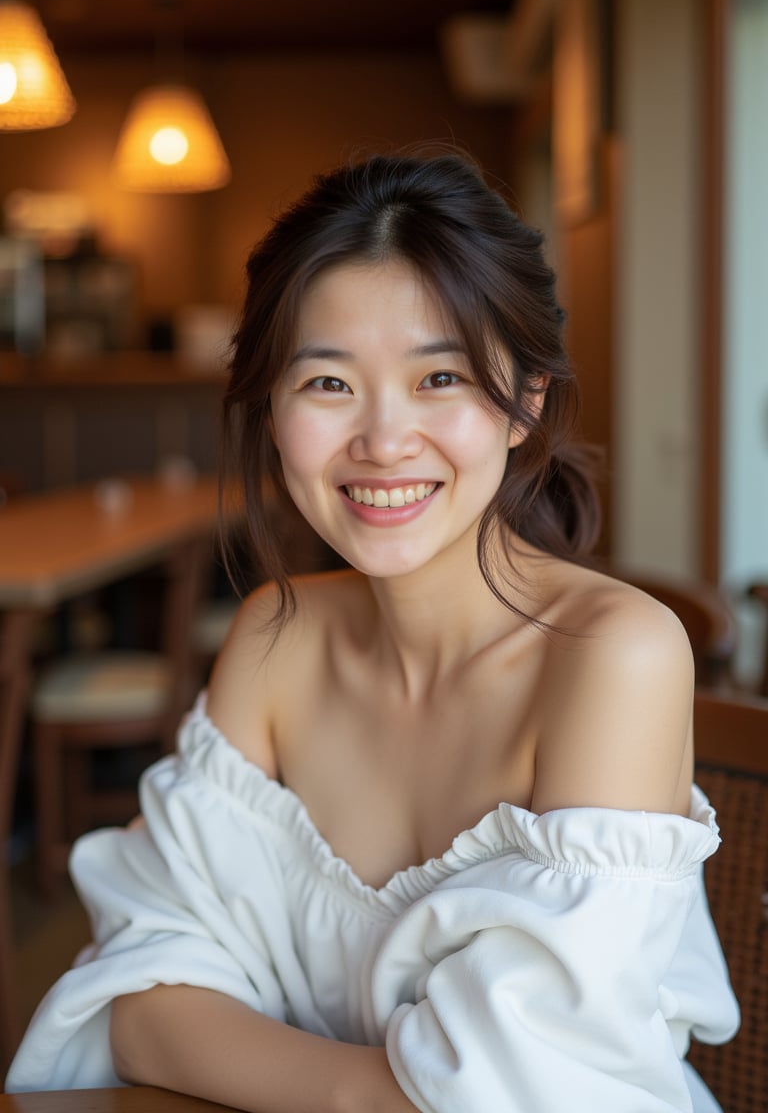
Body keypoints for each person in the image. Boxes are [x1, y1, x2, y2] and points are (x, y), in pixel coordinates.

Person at [6, 150, 739, 1111]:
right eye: (328, 384)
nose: (384, 441)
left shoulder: (614, 656)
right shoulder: (276, 639)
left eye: (440, 376)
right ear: (271, 410)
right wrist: (380, 1091)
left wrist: (269, 1061)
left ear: (526, 399)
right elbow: (137, 997)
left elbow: (536, 1091)